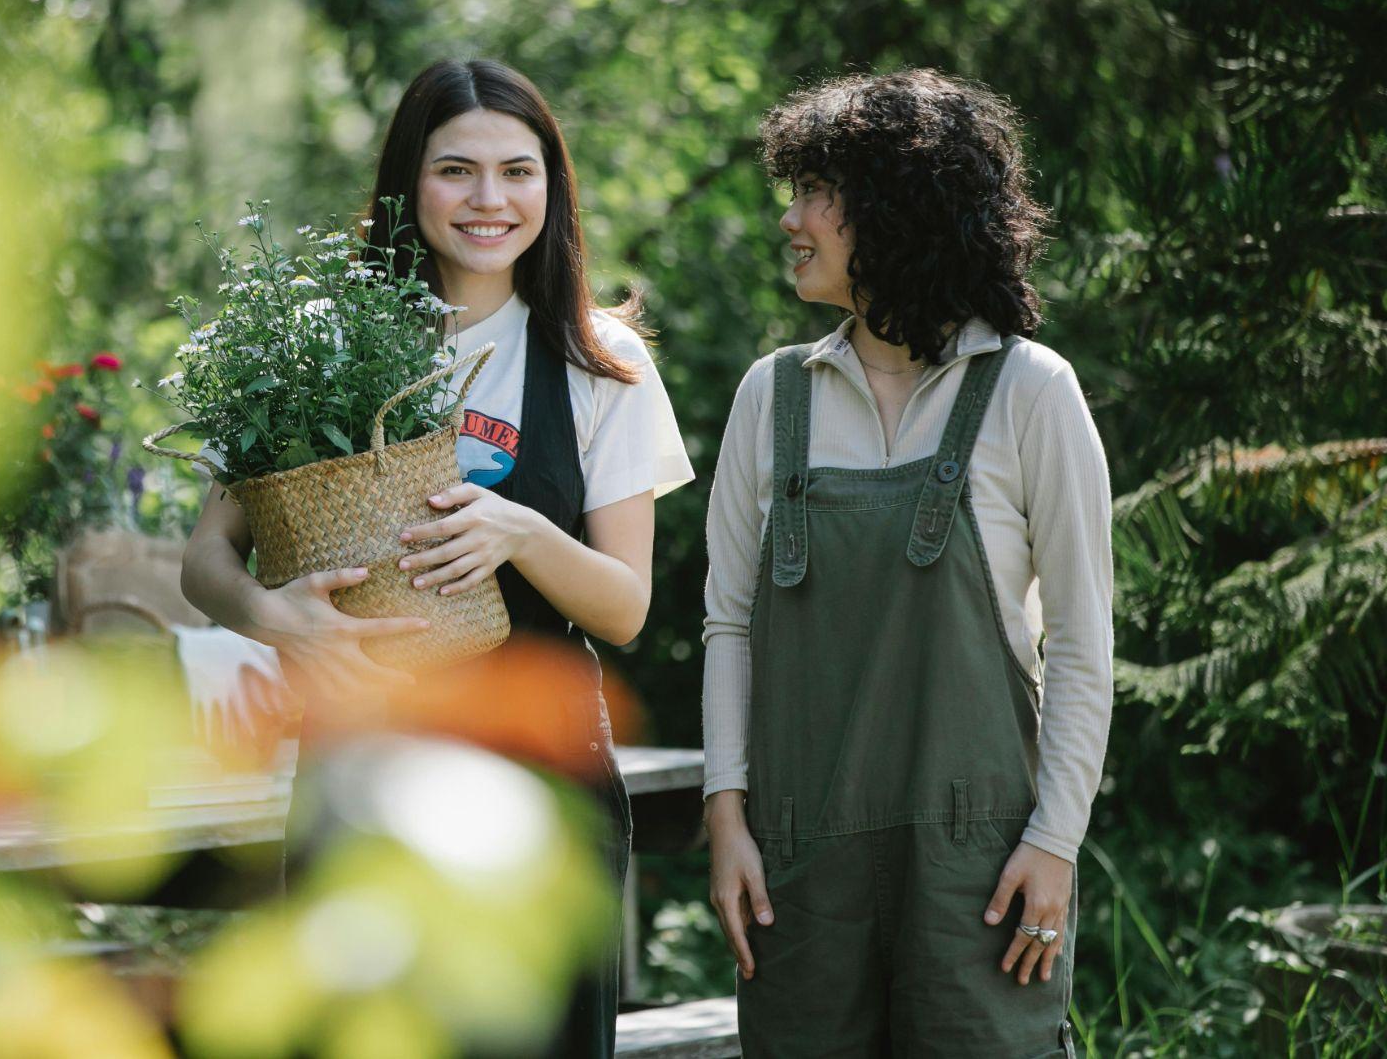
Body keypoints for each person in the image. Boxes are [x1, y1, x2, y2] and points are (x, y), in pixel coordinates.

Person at [181, 57, 694, 1057]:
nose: (489, 200)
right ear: (406, 184)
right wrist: (280, 618)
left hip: (539, 792)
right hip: (359, 777)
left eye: (518, 170)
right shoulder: (315, 343)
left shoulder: (601, 362)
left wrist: (523, 534)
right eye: (456, 170)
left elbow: (624, 608)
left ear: (553, 187)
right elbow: (206, 560)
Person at [700, 69, 1113, 1058]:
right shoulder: (771, 398)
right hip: (796, 875)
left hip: (978, 877)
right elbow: (727, 624)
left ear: (894, 209)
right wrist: (726, 819)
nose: (789, 219)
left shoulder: (1027, 392)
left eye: (813, 193)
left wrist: (1053, 842)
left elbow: (1082, 642)